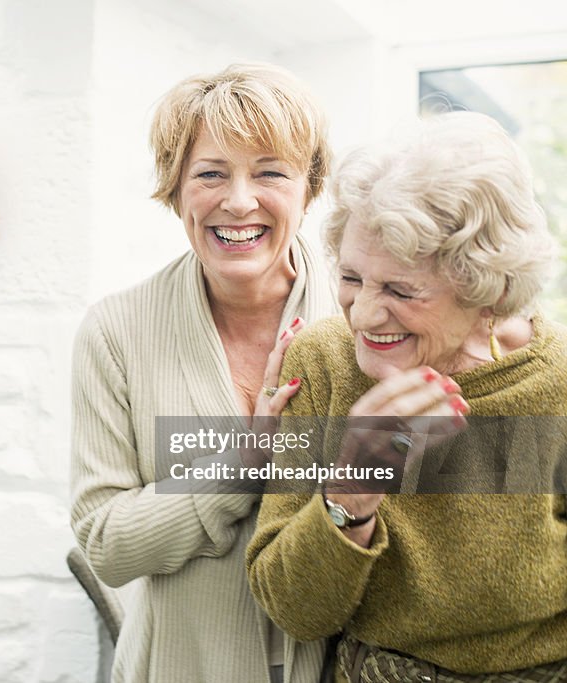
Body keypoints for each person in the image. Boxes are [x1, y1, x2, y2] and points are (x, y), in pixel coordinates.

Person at [246, 111, 567, 681]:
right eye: (351, 278)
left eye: (400, 289)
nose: (365, 314)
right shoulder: (323, 363)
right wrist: (351, 491)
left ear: (486, 292)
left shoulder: (556, 381)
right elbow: (293, 609)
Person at [71, 63, 334, 683]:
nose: (238, 200)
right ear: (175, 188)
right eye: (210, 174)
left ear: (308, 187)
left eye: (270, 172)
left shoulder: (361, 319)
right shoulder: (118, 330)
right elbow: (104, 543)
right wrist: (243, 466)